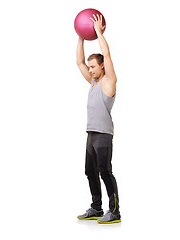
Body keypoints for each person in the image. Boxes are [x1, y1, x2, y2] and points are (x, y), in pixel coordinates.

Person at [76, 14, 121, 224]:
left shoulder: (108, 82)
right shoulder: (93, 82)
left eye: (93, 66)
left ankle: (114, 212)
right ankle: (96, 207)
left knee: (105, 171)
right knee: (89, 171)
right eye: (90, 67)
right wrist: (81, 36)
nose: (90, 69)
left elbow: (107, 53)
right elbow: (78, 61)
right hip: (90, 133)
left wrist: (99, 33)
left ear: (102, 66)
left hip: (103, 134)